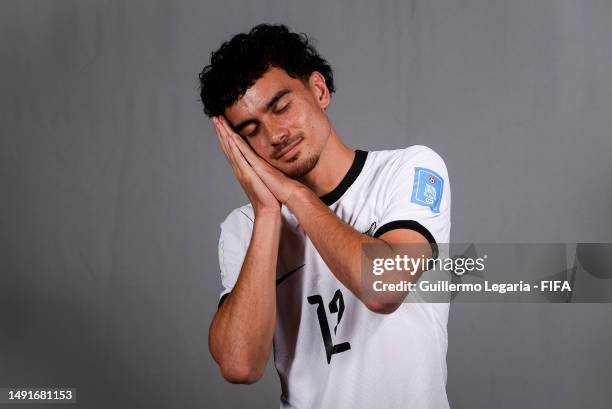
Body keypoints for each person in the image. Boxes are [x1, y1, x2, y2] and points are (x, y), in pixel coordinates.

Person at [198, 24, 451, 409]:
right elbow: (240, 364)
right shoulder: (243, 226)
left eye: (281, 107)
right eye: (252, 131)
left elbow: (384, 287)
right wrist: (269, 213)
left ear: (318, 90)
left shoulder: (409, 168)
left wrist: (295, 195)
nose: (275, 134)